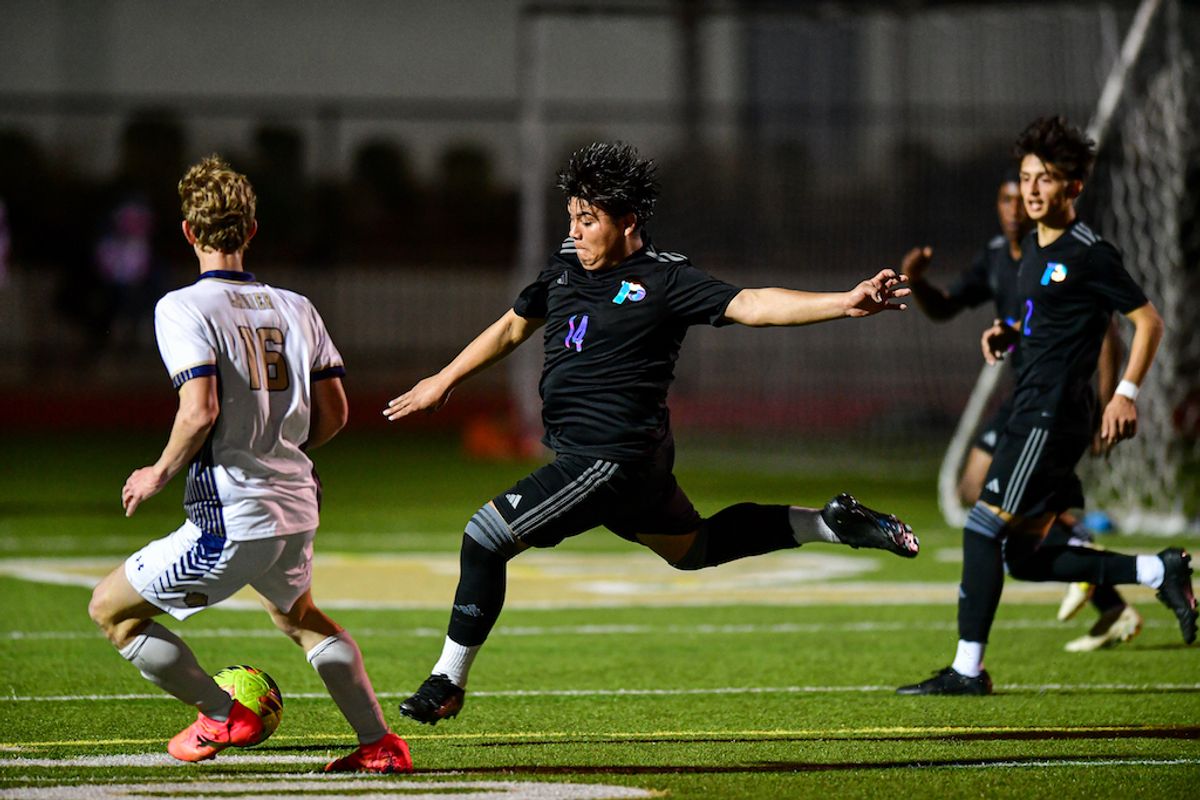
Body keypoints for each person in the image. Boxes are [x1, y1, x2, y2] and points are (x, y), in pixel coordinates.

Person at [385, 141, 920, 725]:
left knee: (484, 538)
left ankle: (447, 680)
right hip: (624, 463)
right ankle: (829, 523)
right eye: (572, 218)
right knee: (694, 550)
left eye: (589, 221)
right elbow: (514, 326)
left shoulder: (666, 280)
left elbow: (754, 304)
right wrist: (445, 377)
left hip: (607, 460)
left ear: (628, 221)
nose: (577, 232)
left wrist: (844, 302)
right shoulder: (566, 266)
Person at [86, 155, 412, 772]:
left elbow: (199, 409)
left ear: (187, 232)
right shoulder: (296, 306)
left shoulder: (182, 308)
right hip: (296, 505)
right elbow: (336, 412)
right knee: (300, 619)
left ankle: (219, 713)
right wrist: (282, 450)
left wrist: (156, 472)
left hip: (233, 516)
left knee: (110, 610)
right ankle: (381, 745)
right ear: (252, 230)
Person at [897, 117, 1195, 697]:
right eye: (1028, 177)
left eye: (1046, 179)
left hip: (1049, 415)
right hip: (1031, 407)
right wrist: (1008, 334)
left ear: (1073, 188)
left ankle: (966, 671)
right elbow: (1048, 318)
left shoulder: (1090, 252)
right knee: (1026, 558)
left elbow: (1146, 322)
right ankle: (1158, 570)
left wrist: (1125, 395)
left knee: (981, 528)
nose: (1032, 190)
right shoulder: (1034, 246)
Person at [903, 169, 1140, 652]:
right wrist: (917, 282)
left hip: (1055, 401)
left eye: (1027, 192)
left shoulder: (1063, 252)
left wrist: (1109, 397)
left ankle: (1092, 568)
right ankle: (1109, 593)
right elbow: (948, 307)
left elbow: (1108, 331)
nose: (1017, 205)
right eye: (1008, 197)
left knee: (996, 516)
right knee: (979, 491)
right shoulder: (998, 257)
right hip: (1026, 395)